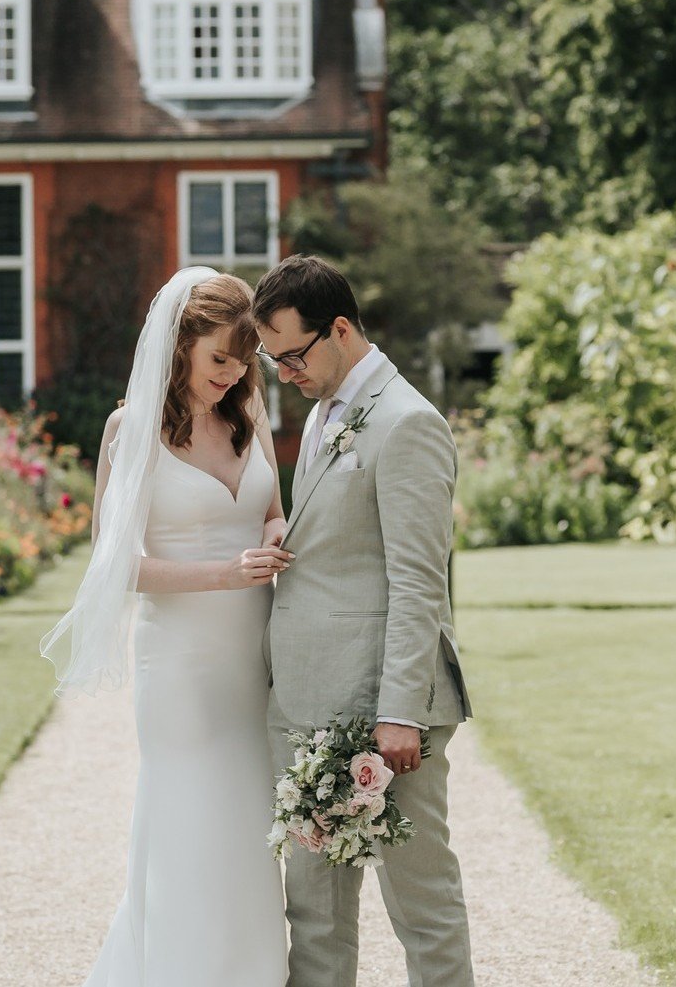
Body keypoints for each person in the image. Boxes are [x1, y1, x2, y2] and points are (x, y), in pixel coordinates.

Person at [40, 268, 291, 987]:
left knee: (249, 828)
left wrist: (275, 532)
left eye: (244, 360)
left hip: (253, 654)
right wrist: (226, 572)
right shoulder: (131, 429)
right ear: (179, 345)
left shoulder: (249, 412)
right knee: (190, 824)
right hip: (179, 664)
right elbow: (116, 568)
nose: (233, 373)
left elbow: (269, 505)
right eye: (219, 358)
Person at [253, 254, 475, 987]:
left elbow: (419, 582)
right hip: (311, 702)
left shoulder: (408, 422)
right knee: (313, 915)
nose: (283, 371)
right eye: (272, 357)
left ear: (339, 328)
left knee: (419, 901)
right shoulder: (323, 412)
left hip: (386, 713)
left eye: (291, 353)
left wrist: (398, 713)